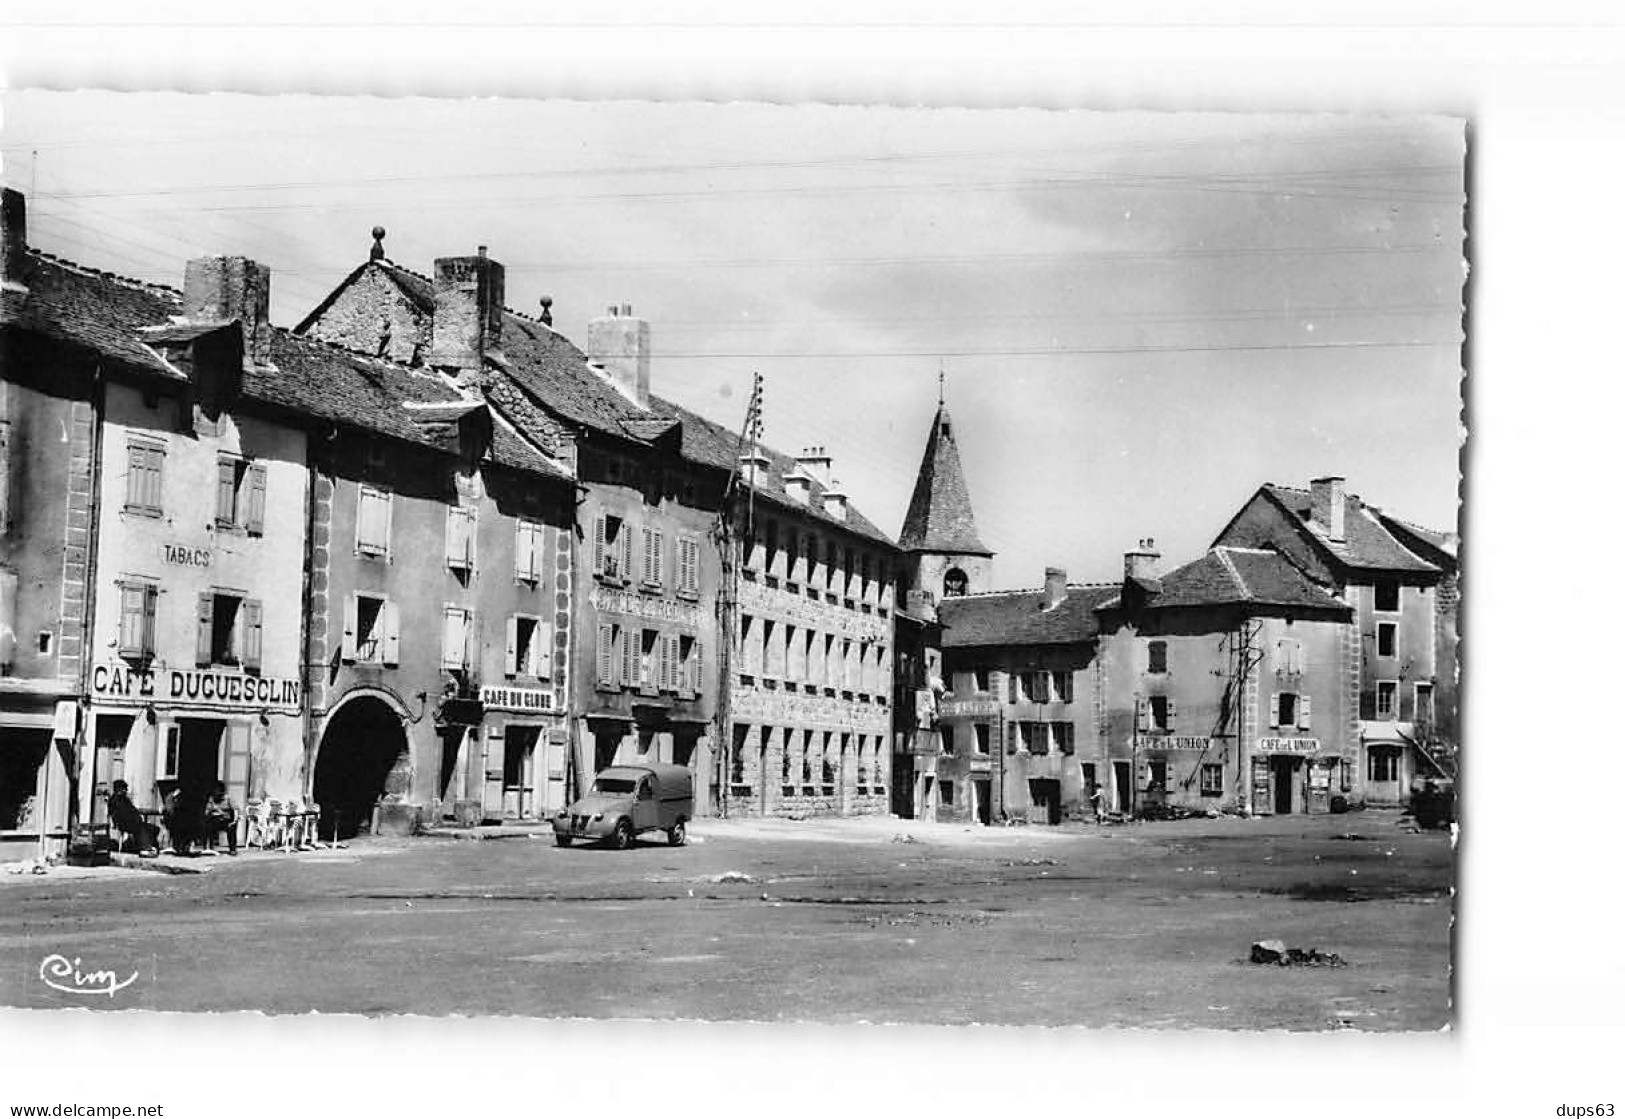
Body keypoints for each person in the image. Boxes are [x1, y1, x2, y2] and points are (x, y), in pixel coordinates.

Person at [106, 780, 156, 856]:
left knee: (151, 828)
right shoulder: (117, 800)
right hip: (124, 823)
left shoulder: (123, 799)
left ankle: (146, 846)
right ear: (118, 789)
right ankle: (145, 848)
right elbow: (122, 814)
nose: (126, 790)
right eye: (124, 788)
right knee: (140, 828)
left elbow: (133, 810)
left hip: (130, 821)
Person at [204, 782, 239, 855]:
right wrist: (209, 811)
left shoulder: (228, 798)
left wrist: (234, 820)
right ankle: (208, 847)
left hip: (226, 820)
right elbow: (207, 811)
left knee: (232, 828)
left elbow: (235, 809)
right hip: (215, 819)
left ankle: (232, 849)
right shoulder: (212, 799)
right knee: (207, 826)